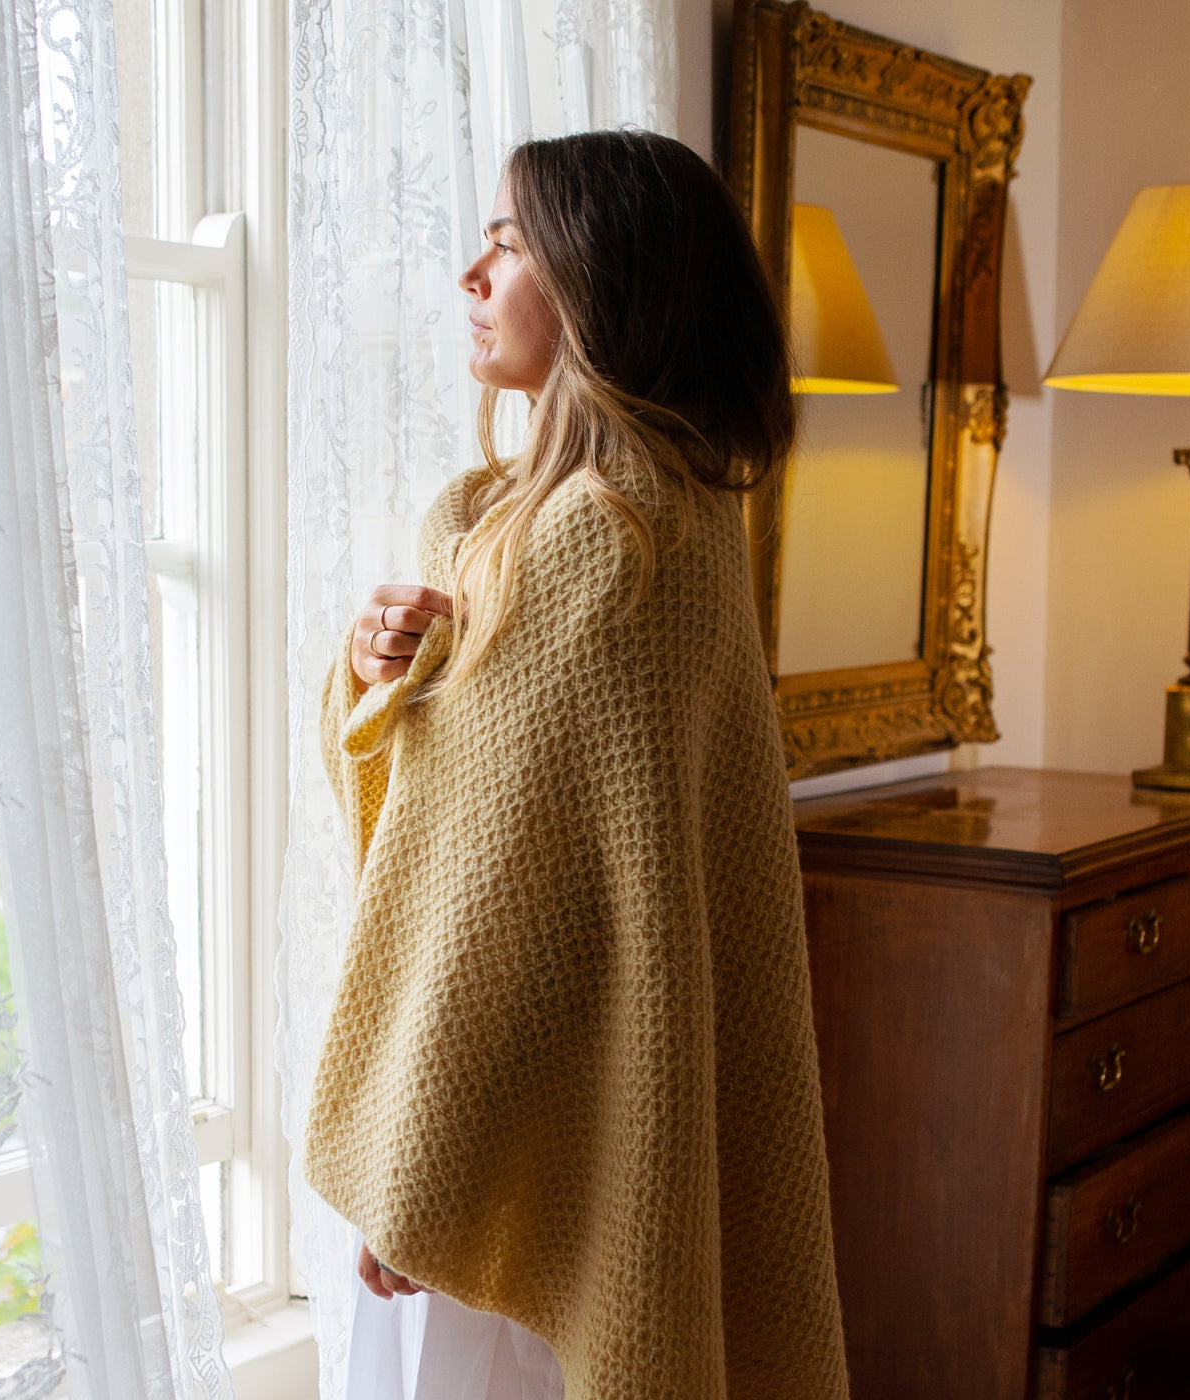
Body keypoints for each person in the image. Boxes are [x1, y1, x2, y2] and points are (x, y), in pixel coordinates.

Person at [306, 129, 850, 1400]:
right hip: (553, 1126)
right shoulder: (635, 517)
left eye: (505, 243)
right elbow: (462, 824)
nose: (472, 276)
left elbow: (500, 901)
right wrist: (383, 674)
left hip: (513, 1155)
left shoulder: (604, 543)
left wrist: (414, 1173)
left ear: (598, 277)